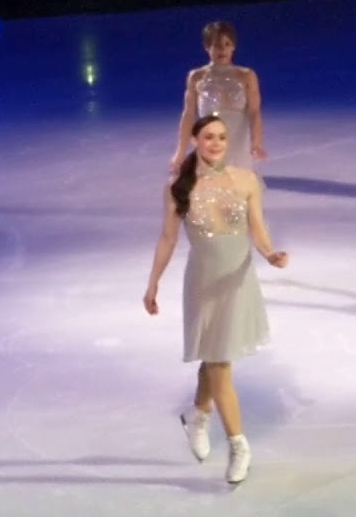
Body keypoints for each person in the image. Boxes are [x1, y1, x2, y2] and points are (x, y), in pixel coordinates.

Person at [144, 114, 288, 485]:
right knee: (219, 362)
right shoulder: (180, 186)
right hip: (204, 282)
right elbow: (167, 239)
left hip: (238, 279)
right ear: (195, 140)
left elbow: (258, 227)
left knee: (215, 355)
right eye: (208, 137)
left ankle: (198, 415)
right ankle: (239, 444)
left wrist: (271, 253)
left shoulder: (245, 180)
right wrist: (153, 284)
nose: (216, 143)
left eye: (222, 137)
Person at [170, 21, 268, 174]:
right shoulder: (196, 77)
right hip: (210, 143)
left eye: (227, 44)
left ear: (233, 46)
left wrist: (256, 143)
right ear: (207, 47)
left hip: (238, 146)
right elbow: (188, 114)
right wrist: (180, 152)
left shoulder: (247, 76)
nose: (222, 49)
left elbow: (255, 112)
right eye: (216, 45)